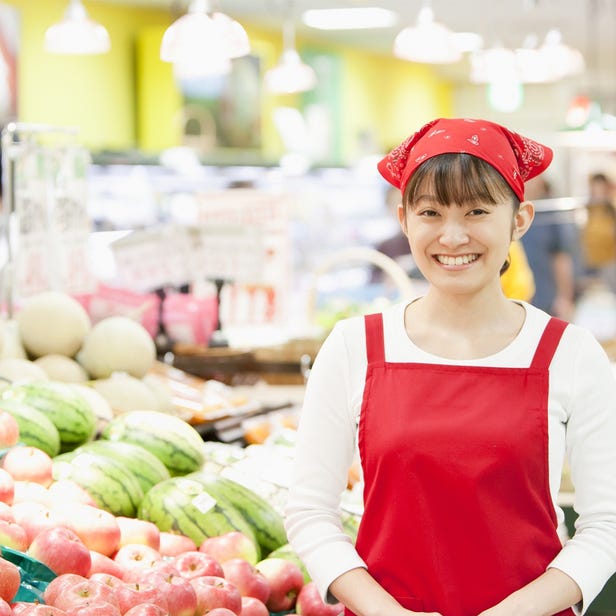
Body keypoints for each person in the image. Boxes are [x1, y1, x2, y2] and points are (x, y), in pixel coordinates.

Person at [285, 117, 616, 616]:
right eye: (431, 212)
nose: (453, 236)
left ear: (520, 219)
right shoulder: (356, 347)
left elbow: (606, 526)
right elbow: (310, 513)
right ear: (404, 219)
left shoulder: (569, 353)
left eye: (477, 210)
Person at [520, 175, 579, 319]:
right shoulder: (506, 212)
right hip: (514, 300)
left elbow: (561, 258)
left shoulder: (551, 211)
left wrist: (564, 298)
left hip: (545, 301)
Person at [580, 172, 616, 293]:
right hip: (590, 264)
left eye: (600, 188)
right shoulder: (588, 209)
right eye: (594, 188)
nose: (597, 192)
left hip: (610, 263)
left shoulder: (611, 210)